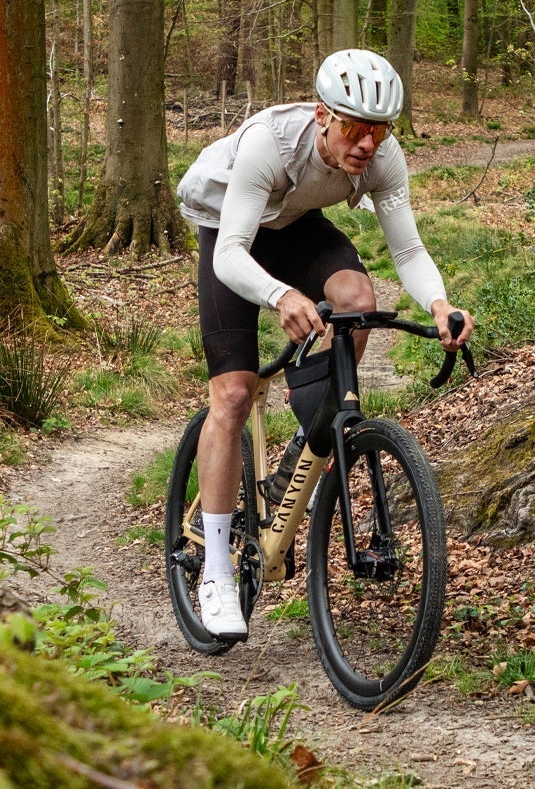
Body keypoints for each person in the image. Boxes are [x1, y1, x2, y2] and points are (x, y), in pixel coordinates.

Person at [175, 48, 473, 641]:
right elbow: (232, 254)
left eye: (379, 130)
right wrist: (280, 295)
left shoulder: (383, 156)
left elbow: (407, 249)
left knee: (358, 300)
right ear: (322, 116)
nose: (367, 143)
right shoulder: (269, 144)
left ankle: (307, 434)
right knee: (233, 395)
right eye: (354, 128)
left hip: (292, 223)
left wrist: (440, 305)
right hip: (227, 227)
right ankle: (215, 571)